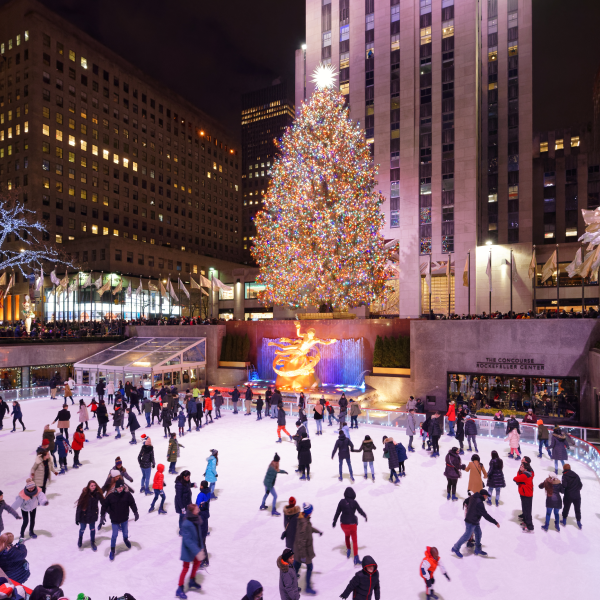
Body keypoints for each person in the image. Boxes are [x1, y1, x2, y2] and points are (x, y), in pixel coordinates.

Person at [451, 489, 499, 558]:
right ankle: (455, 548)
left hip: (475, 520)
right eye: (486, 496)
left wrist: (469, 508)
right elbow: (486, 515)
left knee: (478, 533)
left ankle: (478, 549)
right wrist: (495, 522)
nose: (486, 498)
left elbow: (466, 501)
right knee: (466, 536)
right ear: (484, 495)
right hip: (471, 521)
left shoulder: (473, 496)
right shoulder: (480, 503)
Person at [101, 478, 139, 561]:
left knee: (125, 532)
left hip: (124, 518)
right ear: (116, 488)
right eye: (119, 487)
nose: (121, 489)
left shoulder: (127, 495)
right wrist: (102, 515)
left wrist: (135, 512)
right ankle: (112, 550)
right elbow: (104, 506)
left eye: (122, 487)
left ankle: (125, 540)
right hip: (115, 519)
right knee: (114, 535)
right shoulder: (110, 496)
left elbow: (132, 503)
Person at [332, 487, 367, 565]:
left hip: (343, 524)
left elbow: (337, 512)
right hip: (352, 524)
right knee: (354, 541)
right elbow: (360, 510)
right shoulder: (354, 502)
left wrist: (334, 521)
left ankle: (348, 550)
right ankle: (356, 558)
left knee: (347, 535)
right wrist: (365, 516)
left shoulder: (341, 502)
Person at [176, 503, 205, 599]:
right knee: (185, 568)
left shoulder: (196, 519)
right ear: (192, 512)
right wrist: (197, 551)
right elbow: (187, 540)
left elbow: (198, 535)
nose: (198, 511)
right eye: (196, 510)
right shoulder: (186, 524)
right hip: (188, 550)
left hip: (196, 548)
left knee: (197, 564)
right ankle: (179, 588)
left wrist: (201, 547)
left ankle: (192, 580)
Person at [293, 503, 322, 595]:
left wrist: (318, 531)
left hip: (297, 550)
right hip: (303, 551)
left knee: (296, 566)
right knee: (310, 567)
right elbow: (302, 540)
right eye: (311, 511)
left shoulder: (302, 519)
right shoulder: (304, 524)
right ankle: (308, 587)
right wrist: (303, 556)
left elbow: (309, 528)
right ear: (309, 512)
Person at [12, 478, 49, 542]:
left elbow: (41, 496)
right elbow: (17, 503)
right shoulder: (23, 495)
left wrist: (44, 502)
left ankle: (31, 532)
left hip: (33, 507)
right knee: (25, 521)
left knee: (32, 520)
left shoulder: (37, 491)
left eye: (32, 487)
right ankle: (22, 535)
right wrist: (11, 510)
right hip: (25, 508)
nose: (31, 489)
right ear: (27, 488)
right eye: (29, 488)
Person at [75, 480, 104, 551]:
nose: (93, 487)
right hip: (83, 515)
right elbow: (79, 506)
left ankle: (92, 542)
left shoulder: (97, 494)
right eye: (92, 486)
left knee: (92, 529)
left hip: (92, 515)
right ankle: (80, 539)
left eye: (94, 485)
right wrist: (77, 518)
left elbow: (104, 502)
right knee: (82, 528)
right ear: (89, 486)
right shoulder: (84, 493)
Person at [560, 463, 583, 529]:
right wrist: (576, 490)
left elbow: (564, 485)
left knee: (566, 508)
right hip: (577, 496)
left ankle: (564, 521)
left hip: (568, 495)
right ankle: (579, 522)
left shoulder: (564, 476)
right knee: (577, 509)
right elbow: (580, 485)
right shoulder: (576, 475)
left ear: (564, 468)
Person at [514, 462, 535, 532]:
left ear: (525, 469)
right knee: (525, 510)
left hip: (527, 495)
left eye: (522, 466)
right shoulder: (525, 474)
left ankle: (530, 526)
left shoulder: (525, 475)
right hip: (525, 494)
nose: (520, 466)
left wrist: (519, 480)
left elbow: (515, 479)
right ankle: (526, 522)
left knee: (527, 511)